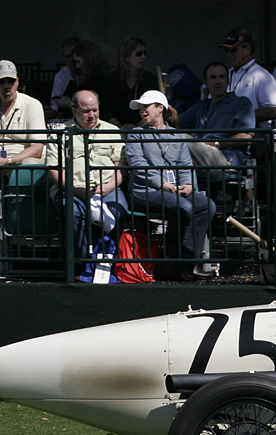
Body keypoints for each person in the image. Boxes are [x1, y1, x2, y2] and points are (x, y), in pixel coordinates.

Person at [125, 90, 215, 280]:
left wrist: (188, 184)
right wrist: (162, 183)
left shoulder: (177, 135)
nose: (142, 111)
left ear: (160, 108)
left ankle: (188, 260)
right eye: (140, 108)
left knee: (206, 205)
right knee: (183, 207)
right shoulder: (135, 134)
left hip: (173, 190)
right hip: (144, 191)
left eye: (146, 107)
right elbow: (139, 166)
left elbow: (185, 165)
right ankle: (172, 260)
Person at [45, 90, 128, 262]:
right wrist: (75, 189)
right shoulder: (60, 133)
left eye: (95, 110)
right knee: (74, 211)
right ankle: (83, 264)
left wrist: (108, 187)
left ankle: (109, 262)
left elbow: (121, 167)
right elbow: (53, 169)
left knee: (117, 211)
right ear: (74, 110)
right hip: (72, 189)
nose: (91, 115)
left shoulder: (112, 131)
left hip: (107, 187)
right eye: (86, 111)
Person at [177, 62, 255, 169]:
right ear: (205, 82)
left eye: (222, 77)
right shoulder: (201, 106)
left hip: (226, 159)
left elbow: (246, 137)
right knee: (170, 137)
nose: (218, 81)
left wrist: (216, 143)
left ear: (228, 81)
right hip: (202, 156)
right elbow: (176, 123)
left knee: (181, 139)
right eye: (213, 77)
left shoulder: (241, 103)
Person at [221, 28, 276, 127]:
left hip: (251, 136)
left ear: (248, 49)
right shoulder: (224, 74)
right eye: (226, 50)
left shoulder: (262, 76)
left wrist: (237, 115)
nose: (229, 54)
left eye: (233, 50)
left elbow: (272, 111)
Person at [102, 36, 160, 127]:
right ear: (127, 56)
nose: (143, 57)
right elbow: (105, 109)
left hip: (142, 128)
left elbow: (154, 107)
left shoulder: (148, 79)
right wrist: (120, 126)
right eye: (139, 54)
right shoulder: (110, 79)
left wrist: (137, 127)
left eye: (145, 53)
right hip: (115, 128)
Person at [61, 41, 109, 118]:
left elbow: (103, 107)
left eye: (78, 62)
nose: (77, 66)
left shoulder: (103, 79)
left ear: (87, 59)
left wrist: (70, 104)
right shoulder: (82, 80)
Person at [49, 37, 80, 116]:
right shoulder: (61, 76)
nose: (71, 60)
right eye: (67, 56)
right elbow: (54, 103)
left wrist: (71, 104)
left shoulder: (90, 74)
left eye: (73, 56)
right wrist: (52, 111)